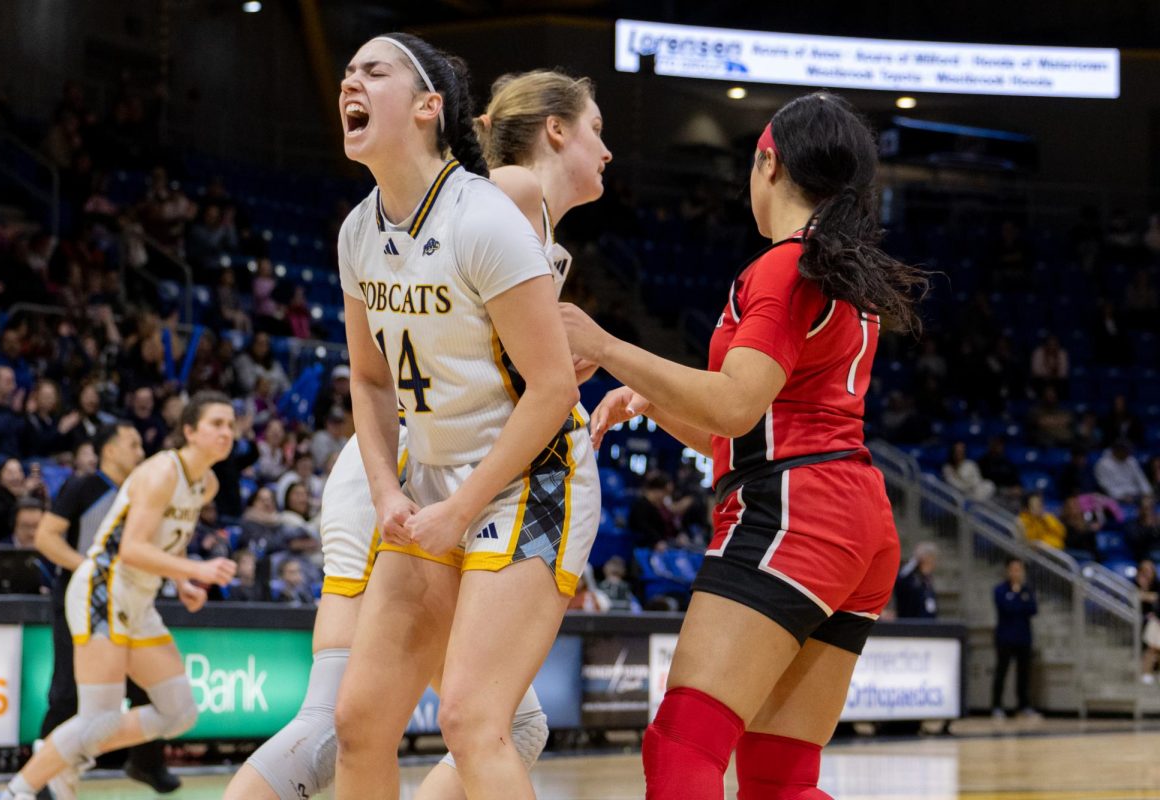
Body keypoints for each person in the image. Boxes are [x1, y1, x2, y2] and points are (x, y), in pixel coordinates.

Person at [562, 91, 925, 799]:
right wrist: (655, 401)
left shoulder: (785, 267)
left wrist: (606, 346)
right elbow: (743, 428)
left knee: (682, 748)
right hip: (850, 515)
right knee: (778, 779)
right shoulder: (840, 273)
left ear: (768, 161)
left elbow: (733, 407)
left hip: (797, 511)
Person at [321, 35, 602, 800]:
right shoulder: (356, 232)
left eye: (373, 71)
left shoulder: (483, 217)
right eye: (347, 73)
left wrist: (463, 507)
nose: (351, 80)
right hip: (435, 480)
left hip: (533, 478)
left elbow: (551, 392)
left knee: (476, 720)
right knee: (359, 720)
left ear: (427, 107)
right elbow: (372, 383)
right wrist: (387, 491)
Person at [0, 392, 238, 800]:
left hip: (139, 599)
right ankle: (16, 792)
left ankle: (68, 753)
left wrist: (180, 582)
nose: (226, 432)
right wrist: (196, 569)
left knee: (178, 712)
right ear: (189, 431)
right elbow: (132, 549)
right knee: (96, 718)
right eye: (216, 424)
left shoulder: (206, 484)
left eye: (231, 425)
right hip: (103, 589)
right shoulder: (161, 472)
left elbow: (169, 541)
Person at [32, 422, 180, 792]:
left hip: (129, 598)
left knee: (150, 686)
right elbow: (45, 537)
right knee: (67, 691)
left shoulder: (145, 489)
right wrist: (88, 568)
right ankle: (42, 775)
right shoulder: (83, 486)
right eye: (132, 443)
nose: (140, 451)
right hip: (81, 598)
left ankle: (146, 763)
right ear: (109, 450)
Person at [991, 557, 1038, 719]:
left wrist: (1017, 602)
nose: (1017, 572)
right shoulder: (1000, 590)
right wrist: (1019, 601)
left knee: (1024, 674)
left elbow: (1032, 609)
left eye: (1020, 569)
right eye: (1014, 569)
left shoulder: (1028, 589)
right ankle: (996, 705)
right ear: (1007, 571)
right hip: (1005, 638)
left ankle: (1023, 705)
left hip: (1024, 638)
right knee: (1001, 672)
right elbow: (1006, 609)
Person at [894, 542, 939, 620]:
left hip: (929, 624)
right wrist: (915, 560)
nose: (935, 562)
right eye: (933, 558)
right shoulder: (910, 578)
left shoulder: (927, 579)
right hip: (911, 623)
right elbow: (900, 580)